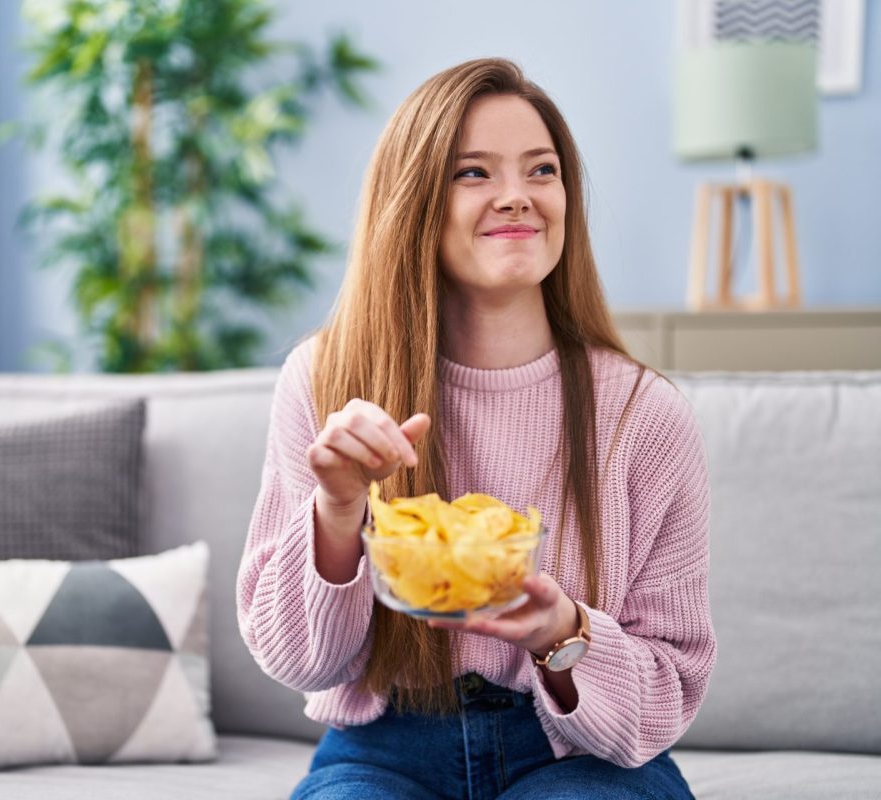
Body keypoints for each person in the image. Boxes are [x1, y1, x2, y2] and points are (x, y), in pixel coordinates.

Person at [235, 58, 716, 799]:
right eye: (474, 174)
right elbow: (299, 662)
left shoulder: (644, 415)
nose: (518, 197)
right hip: (383, 748)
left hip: (576, 755)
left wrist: (564, 633)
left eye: (542, 171)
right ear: (415, 199)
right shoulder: (326, 381)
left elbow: (670, 689)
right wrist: (336, 512)